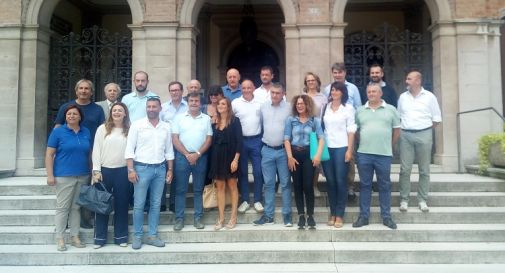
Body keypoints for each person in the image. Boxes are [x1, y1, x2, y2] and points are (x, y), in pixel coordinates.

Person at [53, 79, 104, 229]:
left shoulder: (97, 110)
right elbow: (57, 128)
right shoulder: (66, 107)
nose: (83, 91)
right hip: (68, 155)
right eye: (81, 88)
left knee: (85, 188)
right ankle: (63, 221)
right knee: (66, 193)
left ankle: (84, 219)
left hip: (90, 153)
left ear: (91, 92)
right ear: (76, 90)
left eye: (87, 89)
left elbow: (102, 130)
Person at [125, 97, 174, 250]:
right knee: (139, 204)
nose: (151, 109)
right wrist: (131, 170)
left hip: (160, 169)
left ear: (160, 108)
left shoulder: (166, 127)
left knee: (155, 204)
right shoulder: (137, 125)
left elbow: (169, 150)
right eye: (149, 106)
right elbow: (129, 149)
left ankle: (152, 235)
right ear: (146, 108)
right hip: (141, 169)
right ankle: (138, 236)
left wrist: (170, 169)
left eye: (154, 106)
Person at [353, 83, 400, 230]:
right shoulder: (360, 111)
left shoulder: (391, 110)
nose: (371, 94)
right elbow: (355, 131)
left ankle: (386, 217)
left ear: (380, 93)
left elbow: (397, 131)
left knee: (384, 185)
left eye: (374, 91)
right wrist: (364, 142)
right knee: (365, 185)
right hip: (364, 154)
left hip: (384, 154)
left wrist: (388, 144)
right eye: (369, 92)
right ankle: (363, 216)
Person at [46, 104, 91, 251]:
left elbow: (89, 154)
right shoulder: (58, 132)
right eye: (69, 114)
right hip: (64, 176)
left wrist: (92, 172)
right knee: (62, 207)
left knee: (76, 208)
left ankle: (74, 236)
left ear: (80, 117)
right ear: (65, 117)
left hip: (83, 174)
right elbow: (49, 154)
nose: (71, 116)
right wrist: (50, 175)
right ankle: (60, 238)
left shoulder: (86, 132)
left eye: (74, 114)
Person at [398, 71, 442, 213]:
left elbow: (436, 119)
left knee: (424, 170)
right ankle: (404, 199)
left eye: (409, 79)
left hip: (424, 134)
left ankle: (422, 200)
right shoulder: (402, 97)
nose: (406, 81)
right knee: (405, 169)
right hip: (405, 135)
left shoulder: (430, 97)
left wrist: (424, 130)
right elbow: (399, 117)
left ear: (418, 80)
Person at [91, 102, 131, 249]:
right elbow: (96, 150)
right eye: (114, 110)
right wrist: (96, 170)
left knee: (122, 205)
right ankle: (99, 238)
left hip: (123, 171)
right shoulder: (102, 129)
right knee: (102, 205)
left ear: (125, 113)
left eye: (120, 110)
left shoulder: (130, 130)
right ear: (110, 113)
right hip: (104, 172)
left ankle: (121, 237)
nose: (117, 113)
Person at [172, 93, 213, 231]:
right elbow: (175, 139)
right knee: (180, 190)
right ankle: (179, 219)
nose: (194, 103)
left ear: (200, 103)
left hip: (200, 158)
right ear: (187, 102)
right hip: (182, 157)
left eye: (196, 101)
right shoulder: (179, 118)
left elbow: (208, 139)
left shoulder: (206, 119)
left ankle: (198, 218)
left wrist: (197, 154)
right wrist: (187, 154)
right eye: (191, 101)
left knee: (198, 189)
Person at [253, 83, 292, 227]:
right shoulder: (263, 107)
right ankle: (268, 215)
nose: (275, 95)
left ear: (283, 94)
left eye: (278, 93)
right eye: (273, 93)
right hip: (267, 150)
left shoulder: (289, 108)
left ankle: (287, 215)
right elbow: (261, 125)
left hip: (283, 151)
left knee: (286, 184)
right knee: (268, 184)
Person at [284, 94, 325, 230]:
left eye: (302, 103)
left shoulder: (315, 121)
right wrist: (290, 157)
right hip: (294, 154)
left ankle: (310, 215)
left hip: (309, 155)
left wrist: (318, 156)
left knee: (308, 186)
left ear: (308, 105)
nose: (299, 106)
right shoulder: (291, 120)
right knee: (297, 186)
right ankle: (301, 215)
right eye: (298, 104)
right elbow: (286, 139)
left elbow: (321, 139)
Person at [323, 62, 362, 200]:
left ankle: (349, 186)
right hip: (333, 131)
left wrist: (355, 129)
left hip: (349, 128)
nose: (337, 74)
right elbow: (326, 107)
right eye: (335, 72)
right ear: (332, 73)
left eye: (340, 72)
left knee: (349, 159)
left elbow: (358, 107)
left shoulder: (353, 88)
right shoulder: (328, 89)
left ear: (345, 73)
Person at [320, 82, 356, 228]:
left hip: (342, 147)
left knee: (341, 181)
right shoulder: (325, 107)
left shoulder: (348, 108)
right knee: (330, 181)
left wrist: (349, 150)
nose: (334, 92)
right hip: (327, 148)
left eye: (337, 90)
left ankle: (340, 214)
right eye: (332, 90)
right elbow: (322, 129)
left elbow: (351, 130)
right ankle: (333, 212)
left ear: (343, 92)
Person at [208, 97, 242, 230]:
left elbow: (239, 141)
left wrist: (236, 160)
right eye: (219, 104)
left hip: (230, 157)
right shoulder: (214, 123)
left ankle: (233, 217)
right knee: (220, 187)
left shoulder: (234, 121)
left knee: (232, 185)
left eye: (224, 104)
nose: (220, 106)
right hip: (217, 157)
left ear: (228, 107)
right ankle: (221, 218)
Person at [232, 79, 264, 214]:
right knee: (243, 172)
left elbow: (264, 121)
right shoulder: (235, 103)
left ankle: (257, 200)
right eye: (243, 88)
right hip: (241, 142)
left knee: (258, 171)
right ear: (241, 89)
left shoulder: (260, 103)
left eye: (248, 88)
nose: (246, 90)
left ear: (253, 88)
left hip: (257, 140)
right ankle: (245, 200)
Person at [160, 81, 189, 212]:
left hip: (181, 145)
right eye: (172, 90)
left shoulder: (188, 107)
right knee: (162, 174)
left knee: (177, 174)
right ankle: (160, 203)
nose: (175, 92)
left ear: (182, 91)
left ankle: (173, 203)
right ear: (169, 92)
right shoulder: (163, 107)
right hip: (164, 145)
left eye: (177, 90)